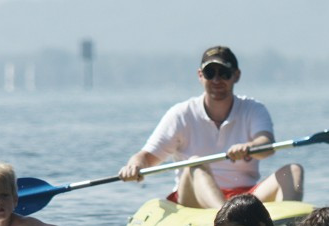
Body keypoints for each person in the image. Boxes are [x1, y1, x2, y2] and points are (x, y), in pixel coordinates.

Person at [119, 46, 303, 209]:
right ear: (200, 75)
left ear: (236, 75)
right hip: (192, 199)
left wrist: (249, 147)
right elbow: (146, 157)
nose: (217, 80)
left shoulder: (254, 109)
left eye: (224, 73)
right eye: (210, 73)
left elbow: (266, 144)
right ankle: (227, 219)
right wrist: (134, 166)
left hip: (243, 198)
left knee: (294, 170)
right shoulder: (181, 114)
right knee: (196, 162)